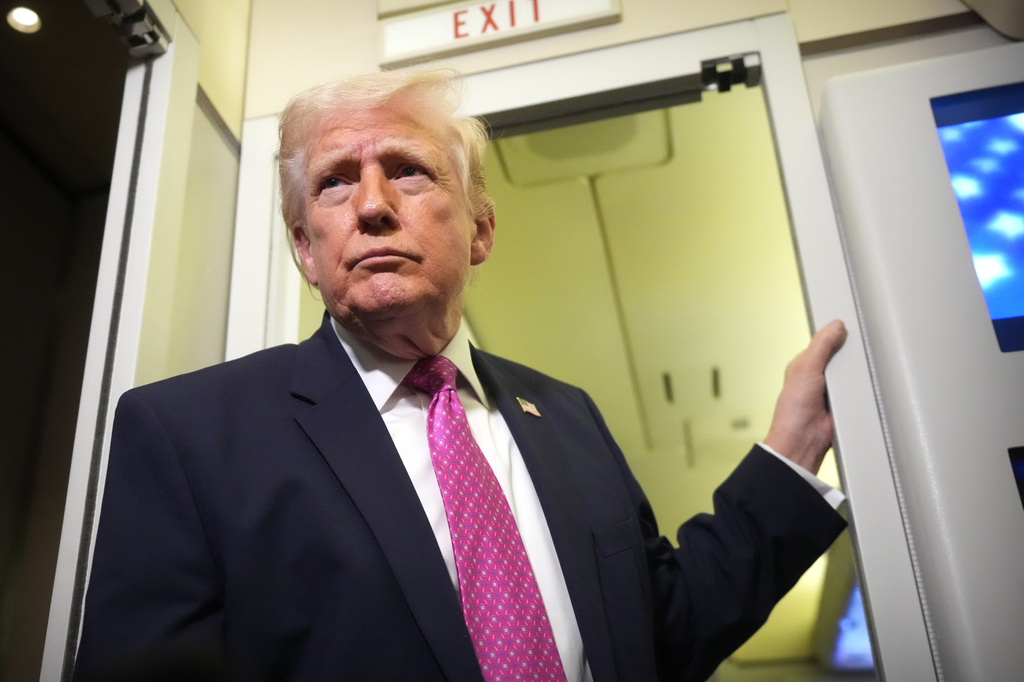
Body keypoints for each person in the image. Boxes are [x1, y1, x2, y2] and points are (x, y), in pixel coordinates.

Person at [74, 69, 848, 682]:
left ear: (479, 229)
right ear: (306, 249)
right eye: (335, 182)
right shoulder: (189, 434)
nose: (371, 206)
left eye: (408, 172)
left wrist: (790, 454)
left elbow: (662, 637)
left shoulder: (568, 416)